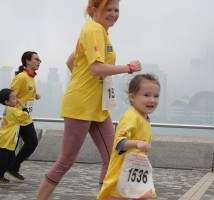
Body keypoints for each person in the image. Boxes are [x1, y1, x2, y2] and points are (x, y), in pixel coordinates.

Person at [36, 0, 142, 199]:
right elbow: (96, 68)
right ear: (94, 10)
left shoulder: (97, 31)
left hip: (97, 106)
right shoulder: (94, 30)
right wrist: (129, 67)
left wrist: (83, 81)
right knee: (66, 160)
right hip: (81, 105)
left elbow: (71, 61)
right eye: (108, 9)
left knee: (113, 157)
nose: (113, 14)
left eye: (116, 10)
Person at [98, 74, 160, 200]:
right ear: (132, 97)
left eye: (156, 96)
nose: (152, 100)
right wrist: (137, 143)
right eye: (147, 95)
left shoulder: (143, 118)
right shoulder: (131, 117)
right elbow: (119, 143)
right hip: (121, 177)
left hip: (135, 176)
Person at [6, 51, 41, 181]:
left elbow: (27, 91)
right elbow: (9, 95)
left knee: (32, 142)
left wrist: (35, 94)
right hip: (16, 117)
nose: (39, 62)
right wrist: (18, 105)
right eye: (36, 59)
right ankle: (7, 169)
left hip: (25, 117)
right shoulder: (20, 77)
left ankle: (13, 167)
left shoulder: (31, 78)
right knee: (9, 147)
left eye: (39, 60)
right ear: (27, 61)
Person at [0, 89, 30, 183]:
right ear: (6, 102)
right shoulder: (12, 110)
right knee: (4, 162)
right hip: (5, 141)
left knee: (9, 161)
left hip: (7, 140)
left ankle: (1, 177)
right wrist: (23, 105)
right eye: (13, 98)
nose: (16, 100)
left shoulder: (8, 109)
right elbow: (25, 115)